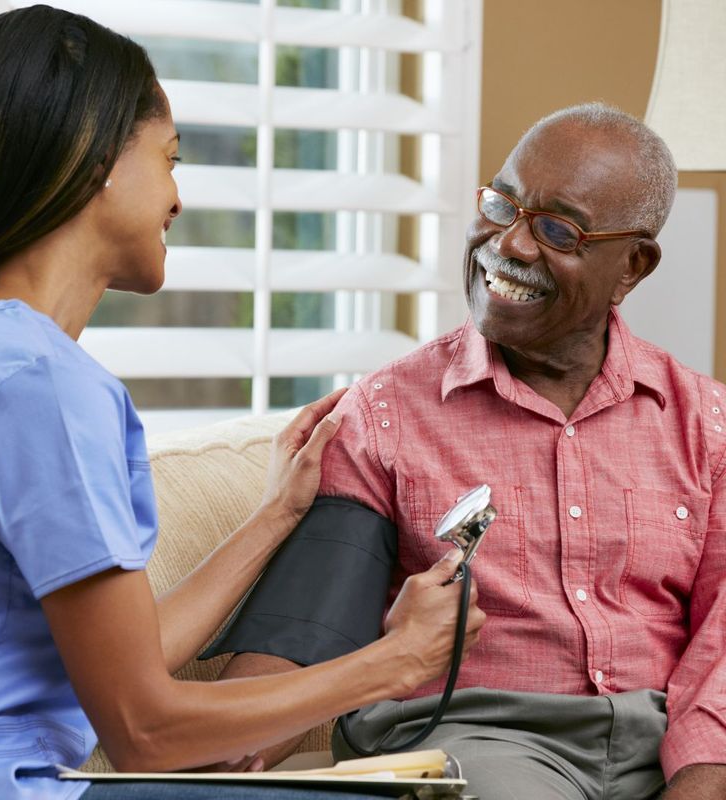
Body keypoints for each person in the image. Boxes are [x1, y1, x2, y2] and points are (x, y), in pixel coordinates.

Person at [0, 6, 487, 800]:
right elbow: (145, 731)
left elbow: (135, 656)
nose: (178, 199)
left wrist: (275, 515)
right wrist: (395, 663)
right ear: (96, 166)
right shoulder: (37, 386)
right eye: (170, 158)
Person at [217, 103, 726, 800]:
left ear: (632, 265)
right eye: (500, 203)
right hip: (483, 747)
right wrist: (217, 743)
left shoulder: (708, 425)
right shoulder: (384, 417)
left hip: (669, 745)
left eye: (556, 229)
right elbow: (295, 651)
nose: (510, 245)